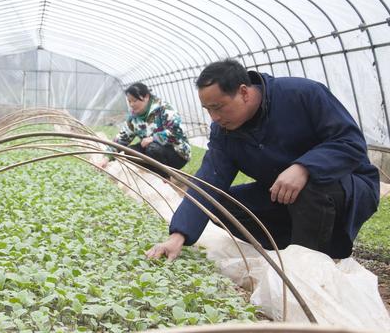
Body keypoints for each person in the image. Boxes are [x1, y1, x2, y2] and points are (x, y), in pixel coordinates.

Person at [146, 59, 379, 260]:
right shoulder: (224, 131)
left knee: (309, 187)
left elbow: (350, 142)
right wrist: (178, 236)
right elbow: (210, 179)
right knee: (221, 207)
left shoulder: (302, 94)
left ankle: (308, 263)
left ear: (244, 92)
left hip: (346, 185)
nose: (214, 118)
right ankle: (296, 247)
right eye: (208, 109)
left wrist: (305, 167)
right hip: (285, 196)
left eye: (218, 107)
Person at [99, 82, 191, 177]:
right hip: (153, 152)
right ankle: (154, 174)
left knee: (152, 148)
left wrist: (154, 138)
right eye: (129, 101)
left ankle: (165, 178)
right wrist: (106, 158)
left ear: (146, 97)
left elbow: (177, 132)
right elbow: (122, 138)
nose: (131, 104)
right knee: (128, 152)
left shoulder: (164, 109)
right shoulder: (134, 118)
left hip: (176, 155)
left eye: (134, 100)